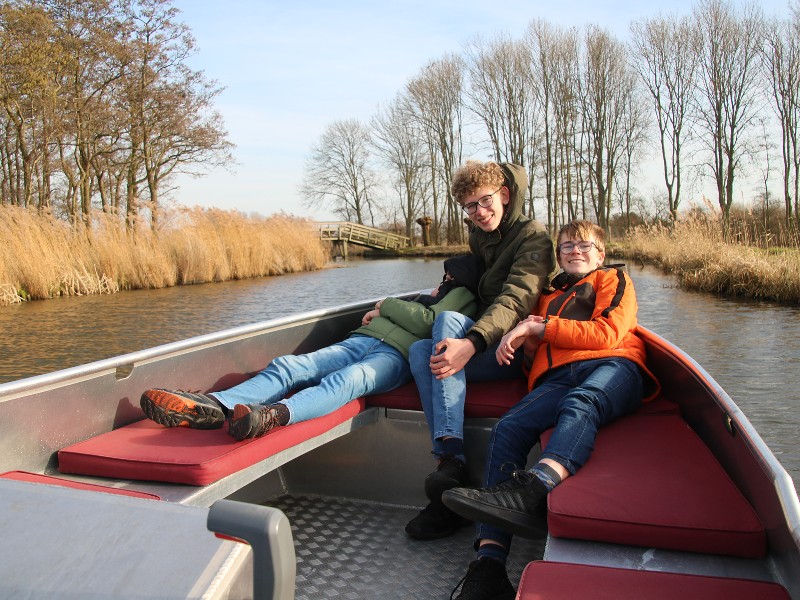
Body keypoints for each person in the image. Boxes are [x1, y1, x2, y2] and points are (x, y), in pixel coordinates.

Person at [441, 220, 660, 600]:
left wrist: (540, 329)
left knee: (581, 402)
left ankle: (535, 487)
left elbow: (607, 333)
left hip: (613, 365)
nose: (574, 251)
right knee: (508, 427)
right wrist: (526, 349)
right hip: (557, 377)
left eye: (584, 245)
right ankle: (488, 565)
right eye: (567, 246)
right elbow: (540, 355)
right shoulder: (546, 295)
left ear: (601, 253)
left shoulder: (612, 280)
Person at [139, 255, 483, 442]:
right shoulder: (433, 294)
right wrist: (384, 313)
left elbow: (428, 321)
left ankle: (273, 415)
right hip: (360, 341)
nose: (443, 280)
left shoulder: (463, 298)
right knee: (290, 366)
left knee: (349, 380)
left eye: (448, 276)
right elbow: (419, 311)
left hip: (393, 357)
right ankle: (214, 405)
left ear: (459, 278)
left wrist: (385, 304)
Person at [404, 161, 557, 540]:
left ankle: (449, 462)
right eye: (470, 207)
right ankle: (450, 467)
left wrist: (470, 344)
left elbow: (515, 300)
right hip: (488, 341)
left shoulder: (533, 237)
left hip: (515, 348)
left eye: (485, 201)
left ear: (504, 195)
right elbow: (470, 290)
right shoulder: (480, 238)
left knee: (449, 327)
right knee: (419, 352)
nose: (479, 212)